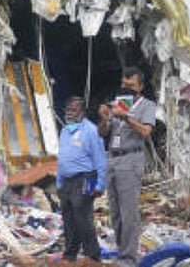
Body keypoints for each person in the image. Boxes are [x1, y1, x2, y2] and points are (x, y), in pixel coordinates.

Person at [98, 67, 156, 267]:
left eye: (130, 85)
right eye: (124, 84)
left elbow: (146, 132)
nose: (126, 88)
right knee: (115, 211)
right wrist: (105, 117)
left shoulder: (147, 106)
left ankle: (129, 259)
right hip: (113, 158)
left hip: (131, 158)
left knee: (128, 211)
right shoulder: (118, 103)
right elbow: (103, 133)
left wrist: (125, 117)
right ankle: (123, 253)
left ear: (140, 86)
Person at [56, 96, 107, 266]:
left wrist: (100, 184)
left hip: (87, 177)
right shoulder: (65, 131)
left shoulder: (92, 130)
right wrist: (59, 182)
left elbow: (100, 159)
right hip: (67, 181)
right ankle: (70, 254)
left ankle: (93, 256)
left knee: (82, 216)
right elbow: (62, 158)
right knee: (68, 217)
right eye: (68, 109)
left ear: (82, 112)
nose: (69, 112)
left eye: (73, 109)